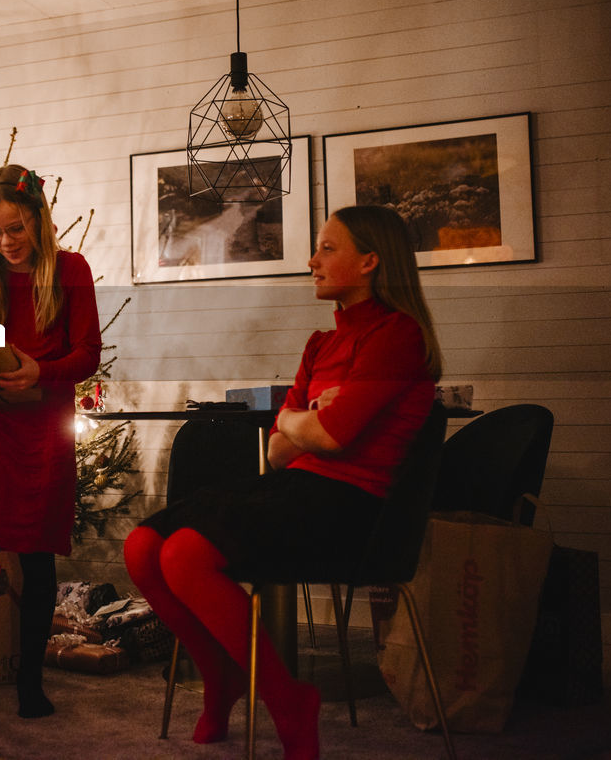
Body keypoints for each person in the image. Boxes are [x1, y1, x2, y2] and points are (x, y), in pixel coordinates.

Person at [123, 205, 442, 759]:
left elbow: (337, 438)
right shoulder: (321, 345)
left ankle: (287, 699)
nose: (312, 260)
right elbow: (276, 451)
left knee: (185, 557)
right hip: (295, 489)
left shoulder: (398, 336)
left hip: (354, 507)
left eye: (327, 248)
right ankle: (220, 678)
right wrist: (309, 417)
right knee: (143, 547)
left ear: (370, 261)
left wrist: (311, 422)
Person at [0, 164, 102, 727]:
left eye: (15, 229)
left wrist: (41, 371)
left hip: (46, 426)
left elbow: (87, 354)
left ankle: (31, 684)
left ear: (38, 219)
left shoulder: (71, 270)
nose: (5, 243)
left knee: (37, 553)